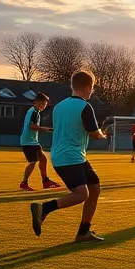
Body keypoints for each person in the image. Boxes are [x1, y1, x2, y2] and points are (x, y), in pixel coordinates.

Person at [30, 71, 108, 243]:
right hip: (70, 157)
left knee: (94, 187)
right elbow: (94, 133)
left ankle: (83, 232)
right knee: (82, 194)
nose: (91, 92)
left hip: (67, 156)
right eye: (92, 88)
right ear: (88, 88)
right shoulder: (85, 107)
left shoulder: (59, 106)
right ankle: (44, 209)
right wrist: (102, 134)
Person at [18, 93, 60, 191]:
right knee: (32, 163)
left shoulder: (32, 111)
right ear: (39, 102)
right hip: (29, 142)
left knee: (43, 159)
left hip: (33, 142)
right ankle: (24, 183)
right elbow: (32, 126)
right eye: (44, 104)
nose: (45, 106)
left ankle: (45, 181)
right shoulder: (35, 112)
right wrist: (46, 129)